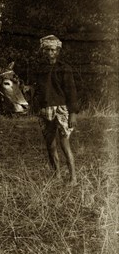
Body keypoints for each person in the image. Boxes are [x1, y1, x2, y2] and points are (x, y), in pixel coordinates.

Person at [33, 35, 79, 185]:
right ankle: (57, 176)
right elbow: (38, 90)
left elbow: (71, 92)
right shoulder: (39, 69)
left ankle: (73, 178)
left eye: (52, 50)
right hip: (45, 110)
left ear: (58, 50)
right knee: (50, 145)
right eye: (46, 50)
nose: (49, 53)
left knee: (64, 144)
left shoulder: (64, 68)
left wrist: (72, 114)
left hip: (61, 110)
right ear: (43, 51)